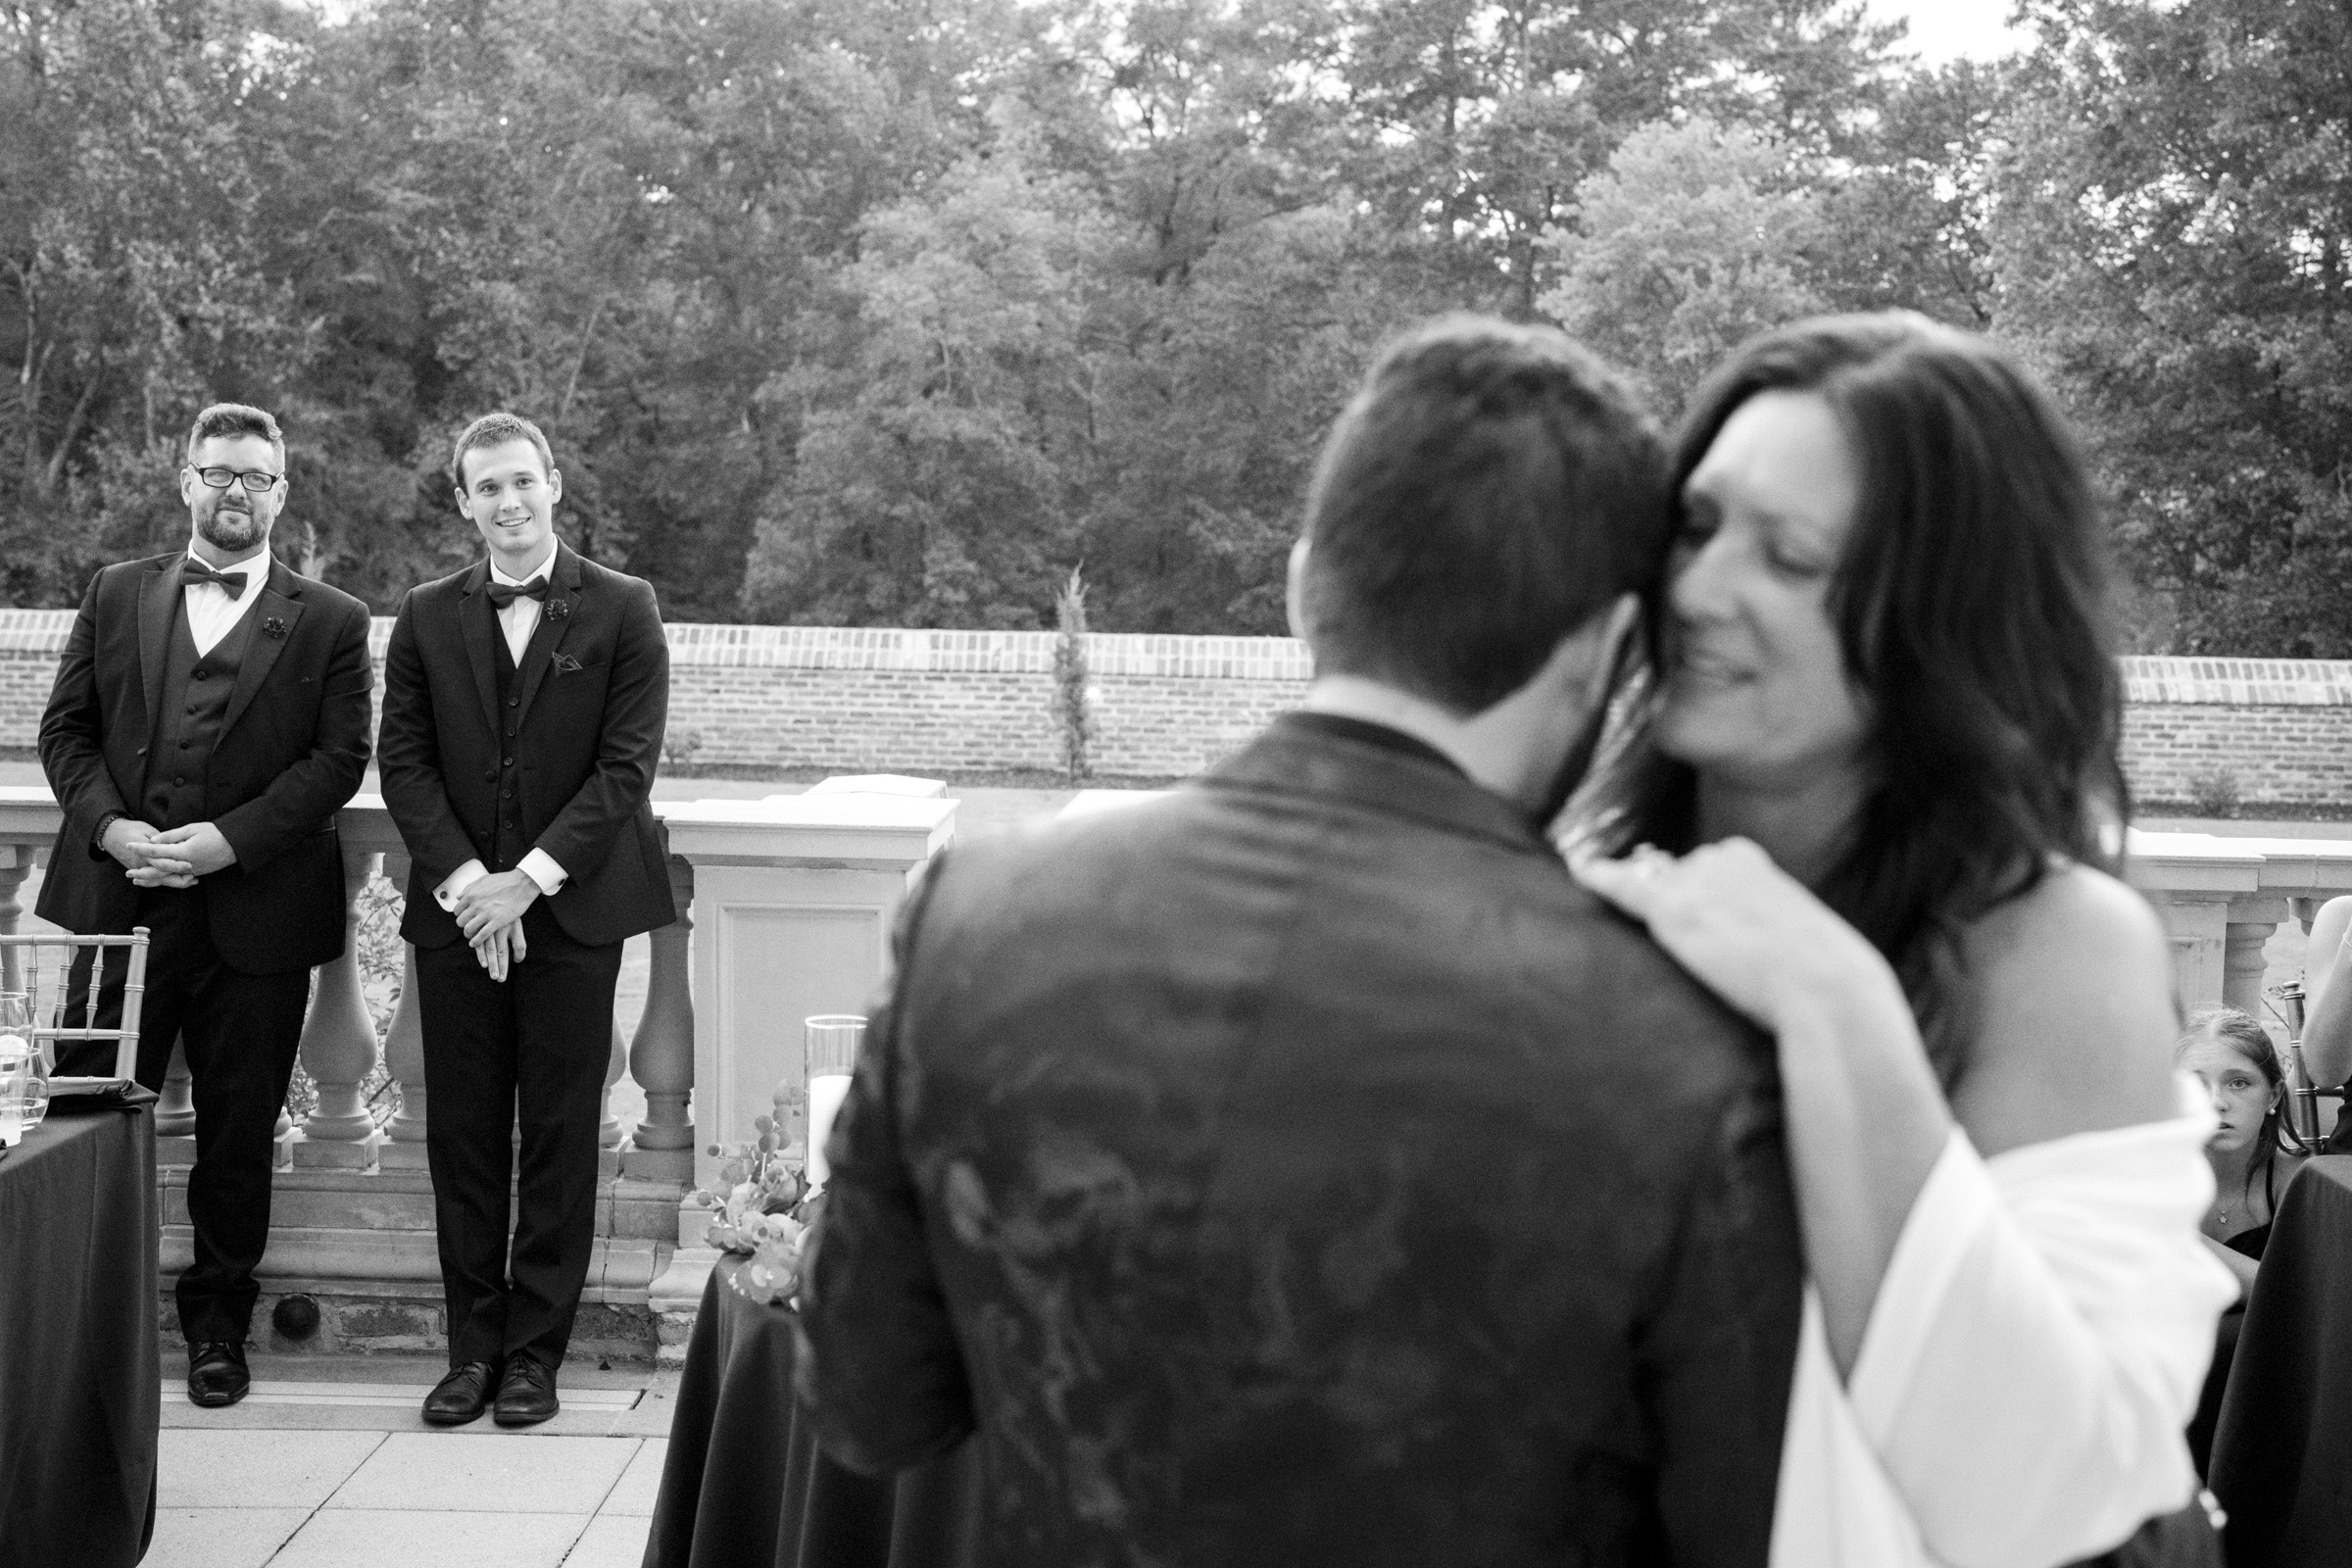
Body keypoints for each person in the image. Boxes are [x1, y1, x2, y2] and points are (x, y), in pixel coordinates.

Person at [798, 317, 1807, 1567]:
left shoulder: (975, 910)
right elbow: (1757, 1526)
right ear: (1605, 649)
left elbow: (867, 1404)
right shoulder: (1685, 1040)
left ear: (1302, 583)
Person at [1572, 312, 2237, 1567]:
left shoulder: (2052, 951)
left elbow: (2036, 1496)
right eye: (1699, 526)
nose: (1700, 591)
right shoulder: (1592, 881)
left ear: (1940, 619)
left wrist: (1833, 997)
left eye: (1791, 557)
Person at [36, 402, 373, 1407]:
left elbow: (337, 761)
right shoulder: (112, 592)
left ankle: (219, 1327)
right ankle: (76, 1323)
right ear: (185, 480)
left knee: (239, 1130)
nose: (236, 490)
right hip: (119, 903)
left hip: (255, 911)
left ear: (281, 491)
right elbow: (67, 734)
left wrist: (228, 841)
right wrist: (112, 829)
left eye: (255, 477)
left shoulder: (332, 620)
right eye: (218, 471)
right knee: (82, 1118)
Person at [376, 412, 673, 1428]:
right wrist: (470, 884)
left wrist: (527, 881)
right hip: (458, 919)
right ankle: (471, 1350)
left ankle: (534, 1357)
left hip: (573, 913)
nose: (508, 502)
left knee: (557, 1134)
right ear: (464, 504)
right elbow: (404, 765)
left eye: (522, 482)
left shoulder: (625, 608)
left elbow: (625, 767)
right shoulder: (422, 614)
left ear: (555, 483)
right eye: (486, 488)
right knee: (461, 1136)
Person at [2177, 1005, 2304, 1474]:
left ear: (2272, 1094)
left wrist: (2183, 1239)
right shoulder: (2146, 1182)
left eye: (2239, 1083)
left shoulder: (2296, 1185)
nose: (2217, 1102)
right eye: (2195, 1084)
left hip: (2266, 1398)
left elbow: (2293, 1299)